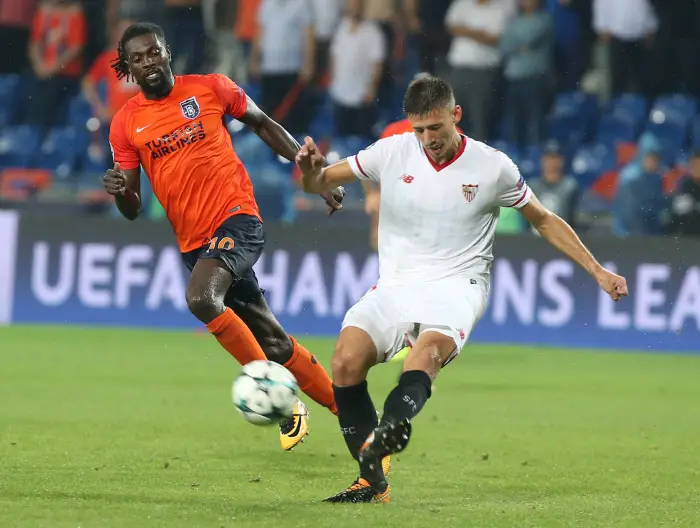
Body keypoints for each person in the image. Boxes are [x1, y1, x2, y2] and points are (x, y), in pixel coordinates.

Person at [295, 76, 629, 503]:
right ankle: (371, 482)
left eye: (436, 127)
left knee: (426, 354)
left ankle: (394, 424)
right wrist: (309, 174)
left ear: (456, 115)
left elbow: (543, 219)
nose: (427, 139)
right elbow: (319, 182)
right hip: (397, 282)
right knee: (344, 361)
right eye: (418, 129)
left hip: (459, 284)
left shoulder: (493, 167)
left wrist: (597, 270)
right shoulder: (391, 152)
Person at [102, 22, 348, 453]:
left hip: (238, 219)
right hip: (195, 243)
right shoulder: (125, 124)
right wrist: (122, 191)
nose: (148, 62)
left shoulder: (212, 88)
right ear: (129, 68)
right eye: (138, 59)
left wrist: (317, 172)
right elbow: (133, 207)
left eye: (153, 52)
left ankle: (272, 388)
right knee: (273, 340)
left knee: (201, 298)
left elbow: (262, 123)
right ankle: (350, 411)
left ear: (167, 51)